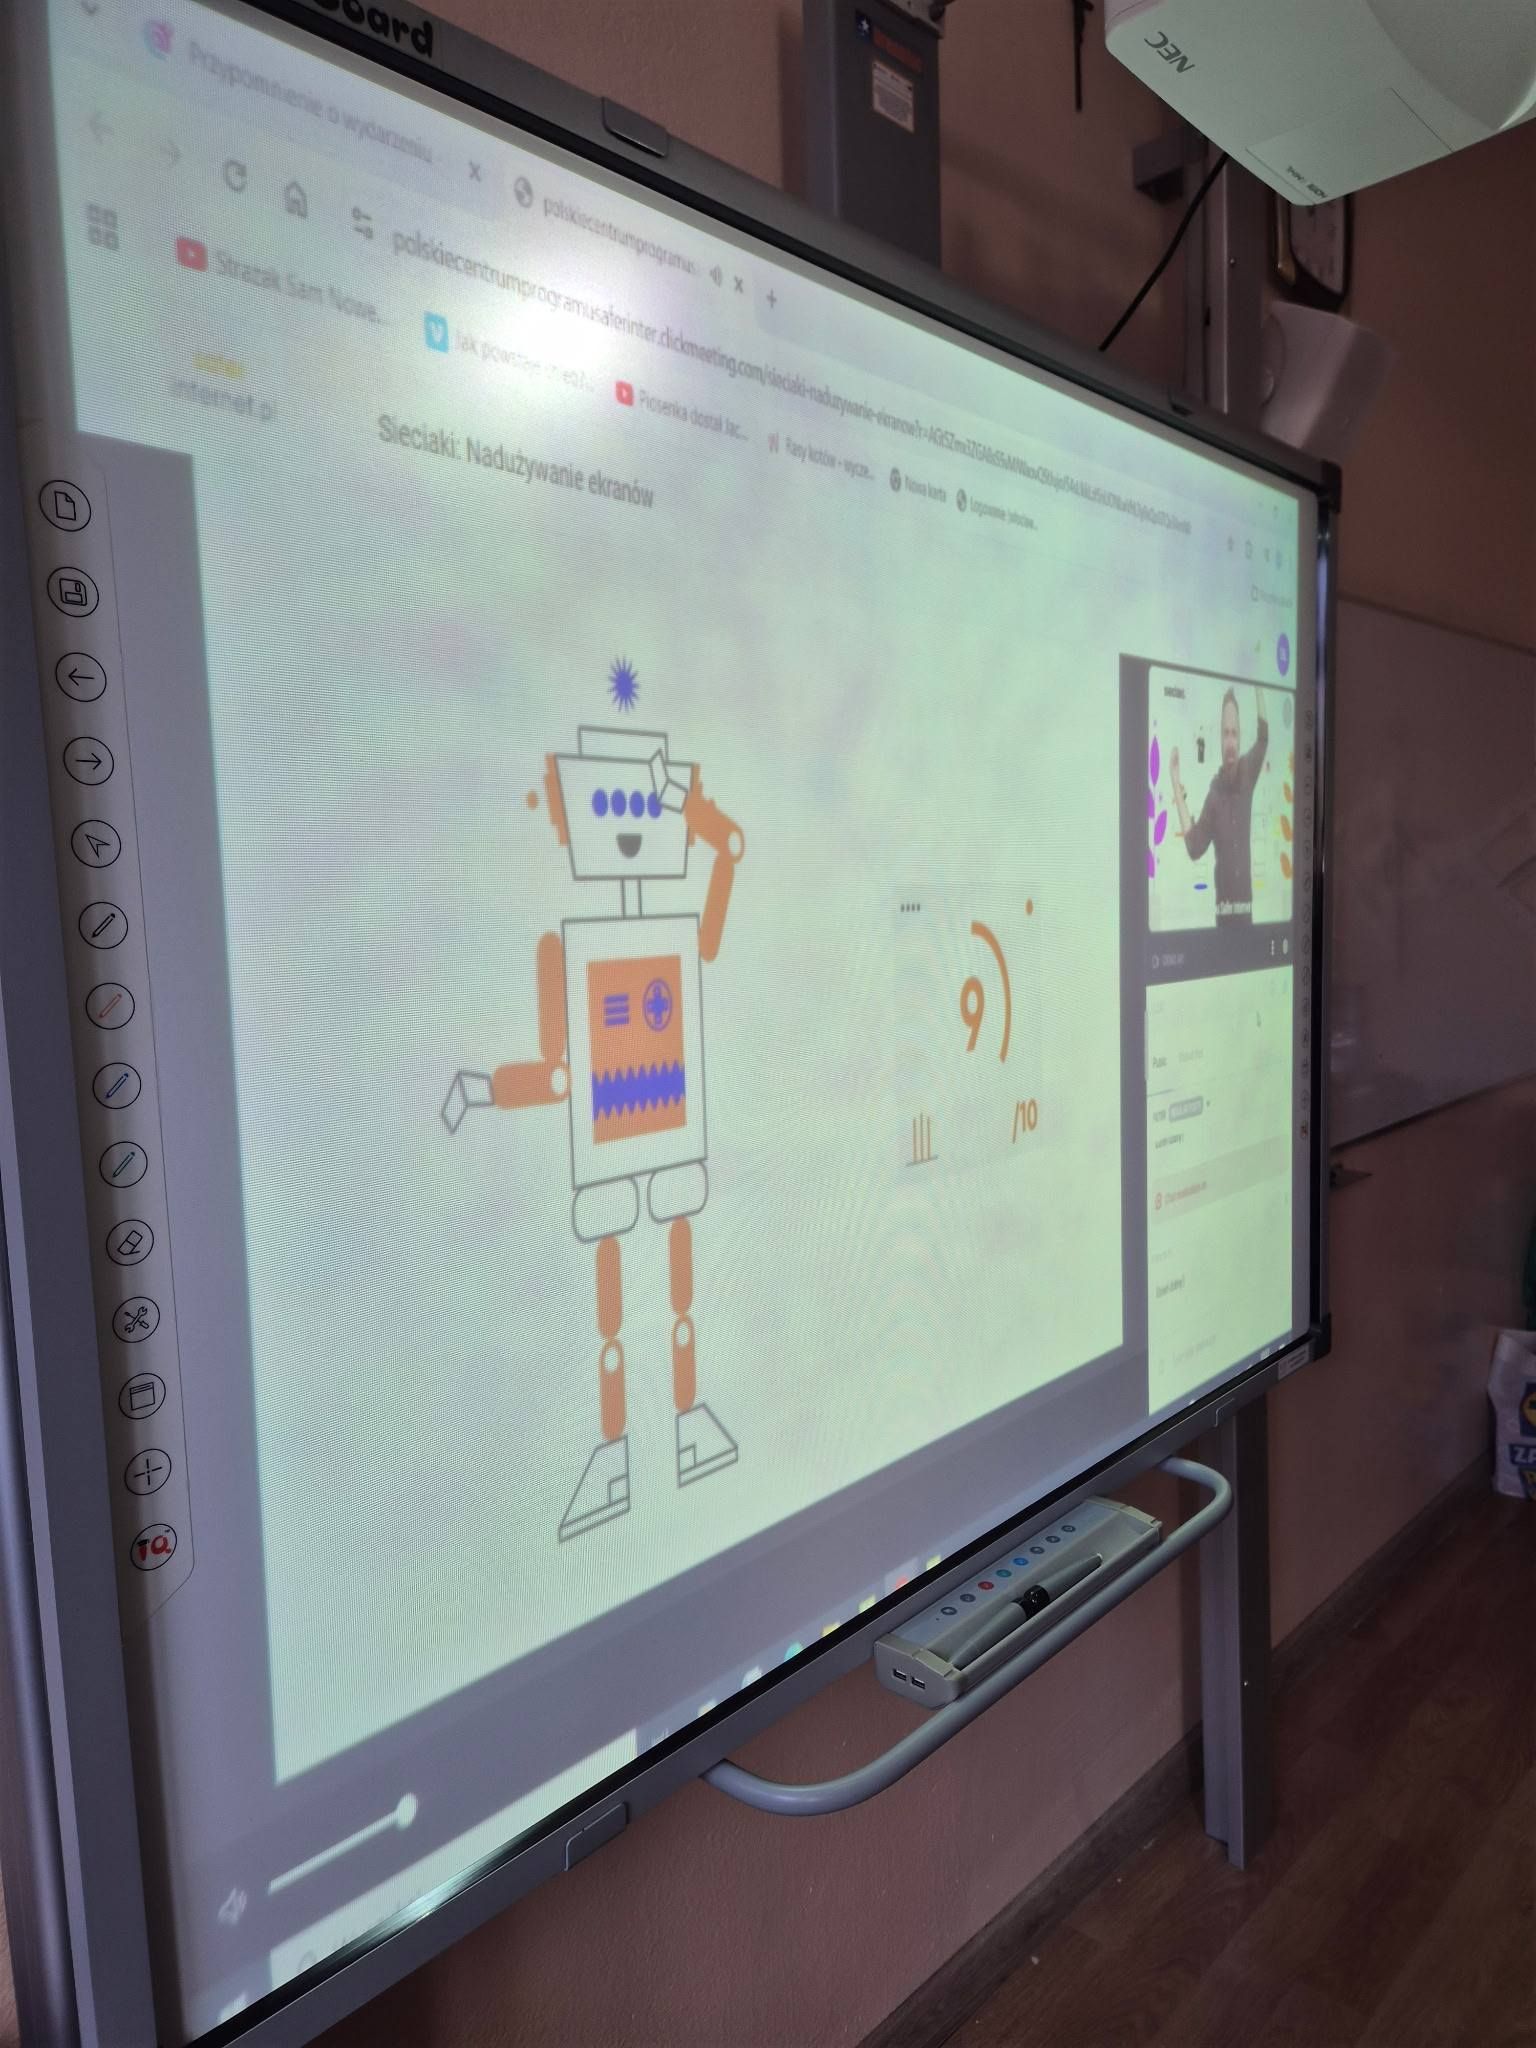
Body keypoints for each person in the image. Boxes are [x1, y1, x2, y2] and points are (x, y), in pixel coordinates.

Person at [1170, 685, 1268, 926]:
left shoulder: (1248, 771)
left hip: (1246, 916)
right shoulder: (1213, 797)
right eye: (1226, 734)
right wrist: (1175, 782)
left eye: (1234, 733)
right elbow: (1194, 847)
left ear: (1240, 737)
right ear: (1220, 740)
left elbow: (1263, 738)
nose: (1231, 740)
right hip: (1223, 920)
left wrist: (1259, 687)